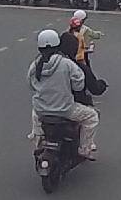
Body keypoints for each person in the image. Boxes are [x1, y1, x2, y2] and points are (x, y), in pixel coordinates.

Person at [28, 29, 99, 160]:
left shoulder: (35, 64)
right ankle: (84, 149)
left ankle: (38, 143)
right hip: (65, 110)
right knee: (92, 117)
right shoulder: (66, 63)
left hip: (41, 110)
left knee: (36, 115)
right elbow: (79, 84)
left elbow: (31, 85)